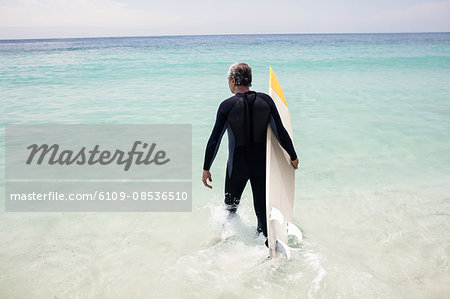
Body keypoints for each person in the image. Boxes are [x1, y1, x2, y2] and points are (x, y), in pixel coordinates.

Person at [202, 62, 299, 238]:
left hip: (236, 167)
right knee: (261, 213)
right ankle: (264, 243)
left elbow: (214, 140)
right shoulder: (266, 101)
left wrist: (206, 168)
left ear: (233, 80)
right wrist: (293, 156)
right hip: (260, 167)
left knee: (230, 210)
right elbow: (280, 132)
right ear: (250, 80)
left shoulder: (226, 106)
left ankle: (229, 242)